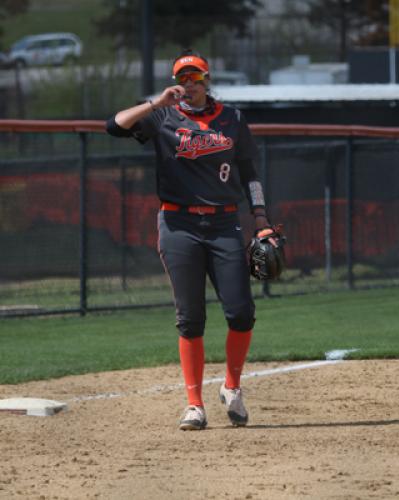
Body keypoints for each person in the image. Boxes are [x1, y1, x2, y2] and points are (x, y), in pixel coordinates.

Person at [106, 49, 273, 430]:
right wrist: (154, 103)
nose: (188, 84)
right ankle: (194, 405)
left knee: (241, 312)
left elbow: (250, 173)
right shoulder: (162, 116)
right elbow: (113, 126)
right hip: (178, 225)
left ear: (206, 80)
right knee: (190, 318)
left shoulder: (232, 119)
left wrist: (261, 217)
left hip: (224, 224)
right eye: (183, 77)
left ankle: (232, 387)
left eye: (195, 77)